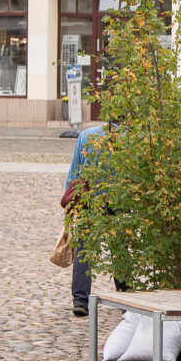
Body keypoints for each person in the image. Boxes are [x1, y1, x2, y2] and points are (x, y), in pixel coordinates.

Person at [62, 120, 107, 316]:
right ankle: (126, 297)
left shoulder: (86, 136)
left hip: (88, 199)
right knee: (121, 250)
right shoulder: (128, 138)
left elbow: (74, 173)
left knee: (84, 250)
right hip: (117, 202)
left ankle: (80, 300)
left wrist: (69, 202)